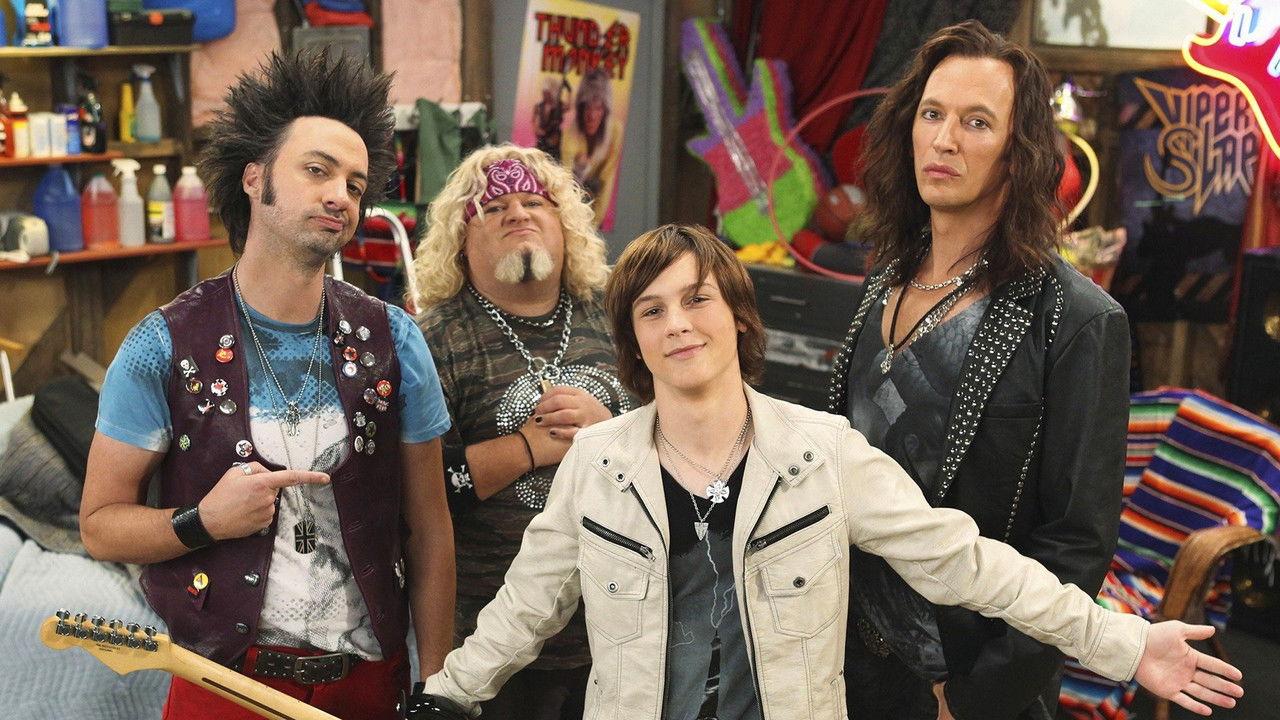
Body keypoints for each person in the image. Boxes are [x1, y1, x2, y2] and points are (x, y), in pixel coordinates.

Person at [403, 223, 1243, 720]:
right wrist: (446, 693)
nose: (677, 324)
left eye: (696, 298)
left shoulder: (823, 453)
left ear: (738, 315)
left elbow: (969, 564)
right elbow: (526, 607)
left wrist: (1127, 643)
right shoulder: (596, 463)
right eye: (651, 310)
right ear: (633, 342)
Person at [79, 49, 456, 720]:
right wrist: (202, 522)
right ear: (254, 178)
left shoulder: (395, 341)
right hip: (219, 682)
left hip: (367, 683)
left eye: (355, 184)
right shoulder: (162, 344)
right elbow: (101, 528)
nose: (339, 195)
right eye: (317, 170)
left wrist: (438, 685)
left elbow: (429, 530)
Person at [826, 21, 1132, 720]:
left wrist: (979, 698)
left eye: (976, 122)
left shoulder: (1077, 320)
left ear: (1018, 154)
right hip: (843, 659)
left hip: (962, 677)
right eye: (932, 114)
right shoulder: (885, 281)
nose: (944, 140)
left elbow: (1076, 546)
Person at [410, 144, 631, 719]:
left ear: (566, 227)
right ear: (461, 240)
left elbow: (682, 446)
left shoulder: (622, 317)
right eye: (493, 207)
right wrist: (526, 447)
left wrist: (608, 434)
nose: (517, 213)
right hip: (490, 645)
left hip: (622, 630)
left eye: (535, 202)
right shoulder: (433, 340)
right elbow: (417, 498)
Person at [560, 68, 623, 220]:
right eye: (587, 107)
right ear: (580, 108)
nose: (592, 115)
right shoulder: (569, 136)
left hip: (595, 210)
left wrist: (593, 224)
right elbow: (565, 185)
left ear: (605, 111)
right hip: (572, 207)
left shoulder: (615, 131)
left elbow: (606, 181)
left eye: (598, 108)